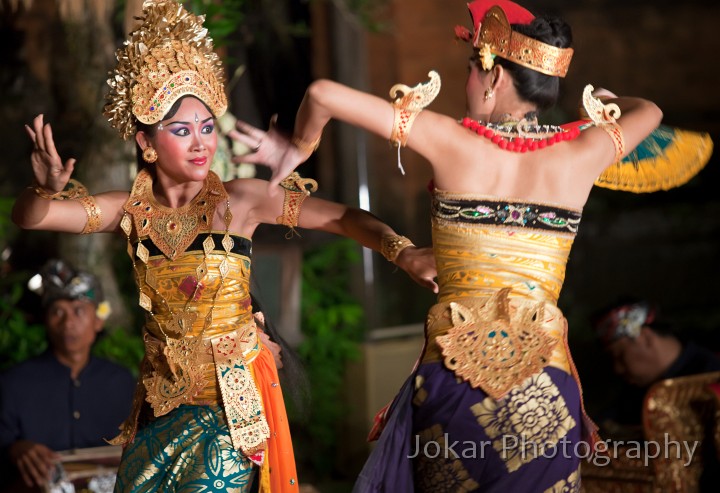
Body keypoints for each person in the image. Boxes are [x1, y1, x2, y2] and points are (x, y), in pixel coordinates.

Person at [230, 0, 678, 490]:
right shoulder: (583, 153)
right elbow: (650, 111)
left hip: (455, 379)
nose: (467, 83)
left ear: (495, 77)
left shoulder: (448, 140)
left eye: (471, 69)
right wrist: (609, 104)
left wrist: (298, 146)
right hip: (544, 387)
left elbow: (322, 94)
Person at [10, 1, 436, 492]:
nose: (201, 144)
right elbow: (35, 217)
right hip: (158, 409)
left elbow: (341, 217)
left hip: (230, 413)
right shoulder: (127, 210)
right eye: (181, 130)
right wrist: (41, 190)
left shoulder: (242, 202)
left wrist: (402, 252)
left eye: (208, 127)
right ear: (147, 143)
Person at [0, 259, 135, 491]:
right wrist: (15, 449)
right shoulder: (13, 383)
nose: (68, 322)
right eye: (57, 311)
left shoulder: (123, 383)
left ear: (98, 321)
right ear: (46, 320)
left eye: (79, 311)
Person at [592, 298, 720, 436]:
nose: (617, 368)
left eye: (619, 355)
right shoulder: (636, 392)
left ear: (646, 338)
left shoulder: (710, 375)